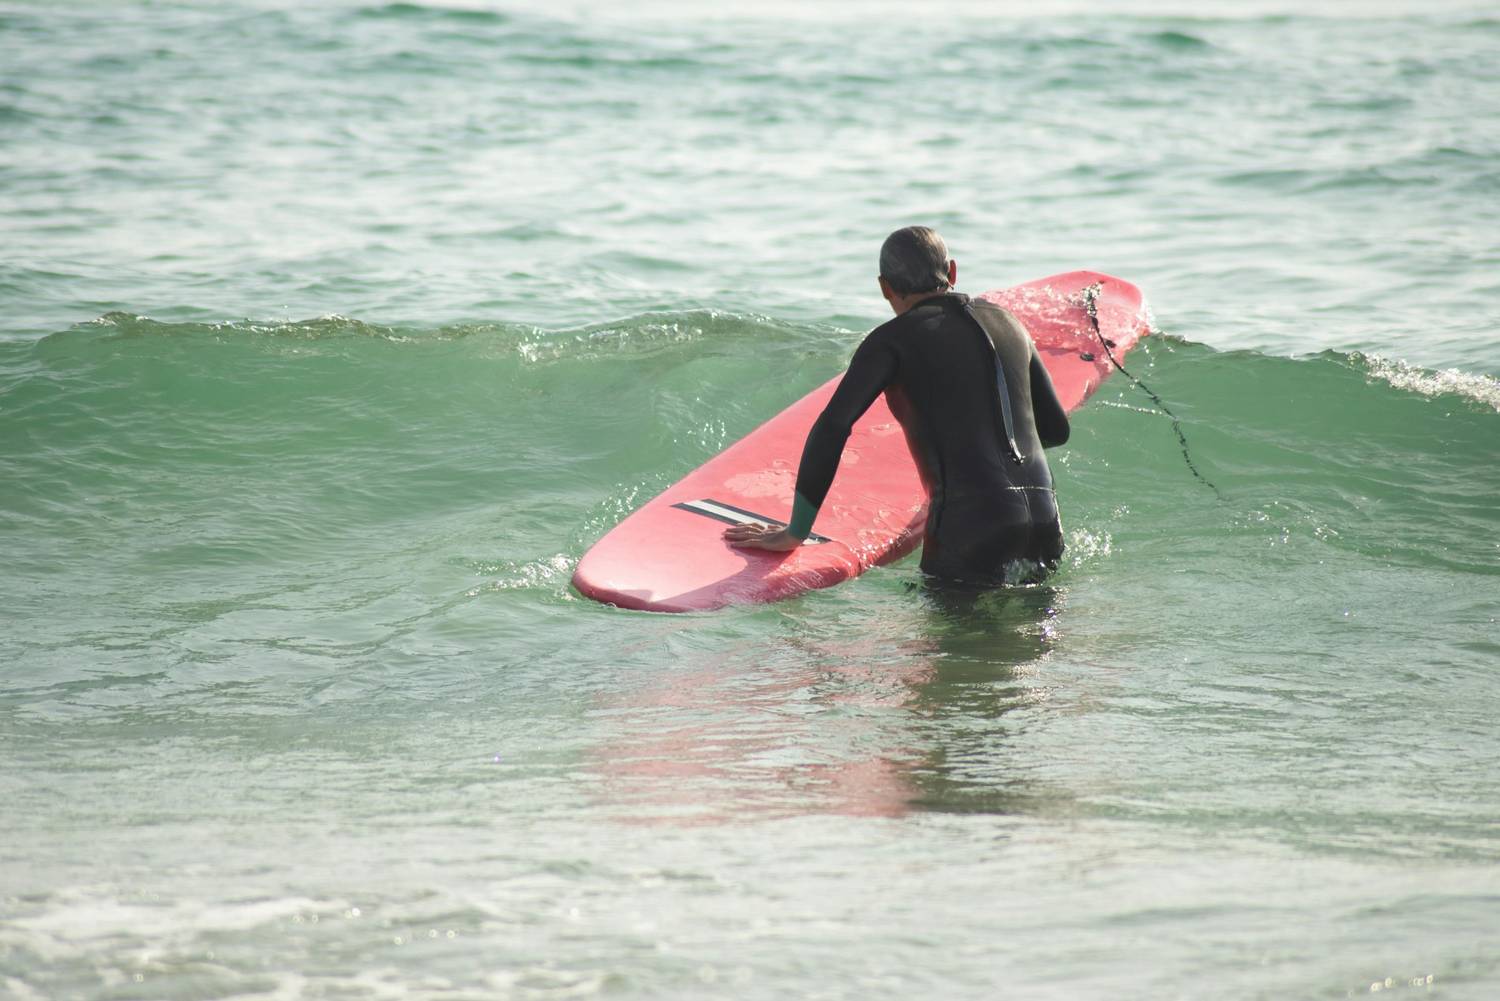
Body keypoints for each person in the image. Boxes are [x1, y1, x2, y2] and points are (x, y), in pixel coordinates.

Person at [723, 226, 1070, 584]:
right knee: (1038, 636)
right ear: (952, 272)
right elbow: (1056, 430)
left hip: (970, 524)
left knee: (953, 639)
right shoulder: (1010, 323)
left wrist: (794, 532)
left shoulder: (892, 341)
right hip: (1045, 518)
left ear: (884, 287)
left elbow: (833, 427)